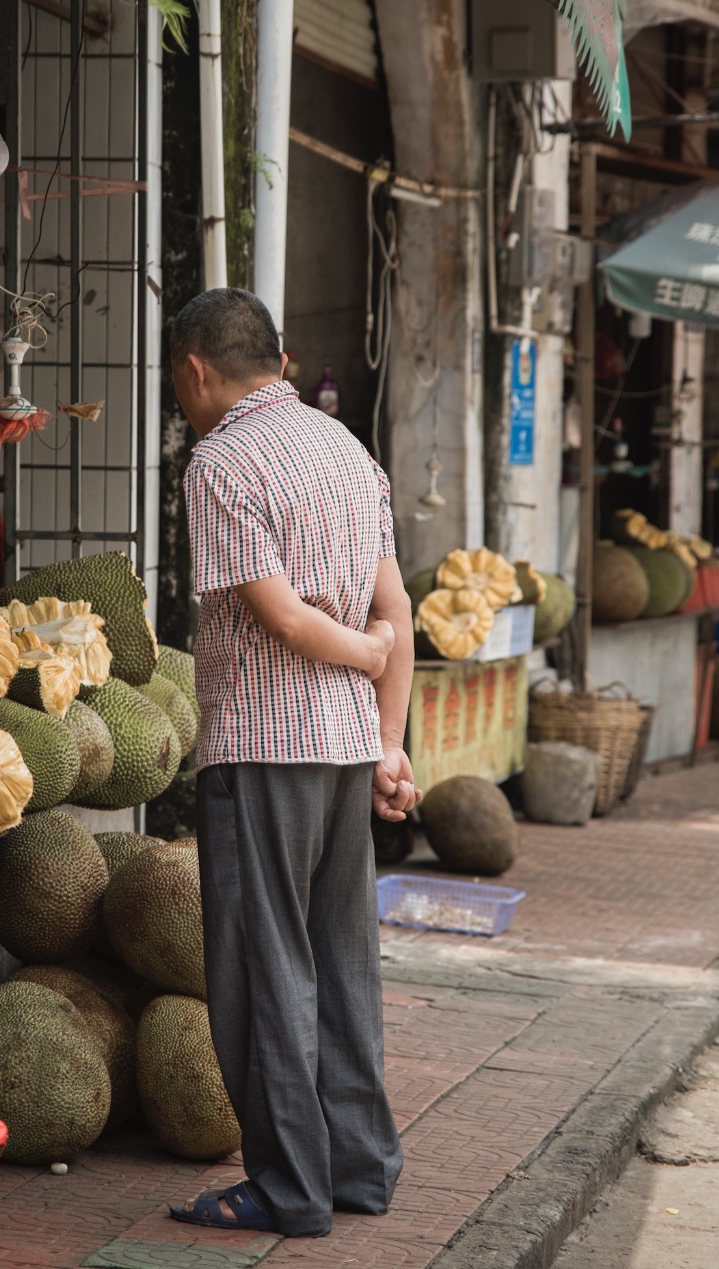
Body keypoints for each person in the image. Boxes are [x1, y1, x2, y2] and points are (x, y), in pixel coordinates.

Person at [165, 288, 422, 1238]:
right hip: (348, 751)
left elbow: (276, 613)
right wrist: (387, 742)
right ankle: (359, 1167)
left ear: (195, 370)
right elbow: (397, 607)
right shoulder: (348, 449)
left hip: (263, 751)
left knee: (266, 964)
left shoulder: (222, 460)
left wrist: (357, 655)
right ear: (277, 356)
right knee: (343, 960)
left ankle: (285, 1187)